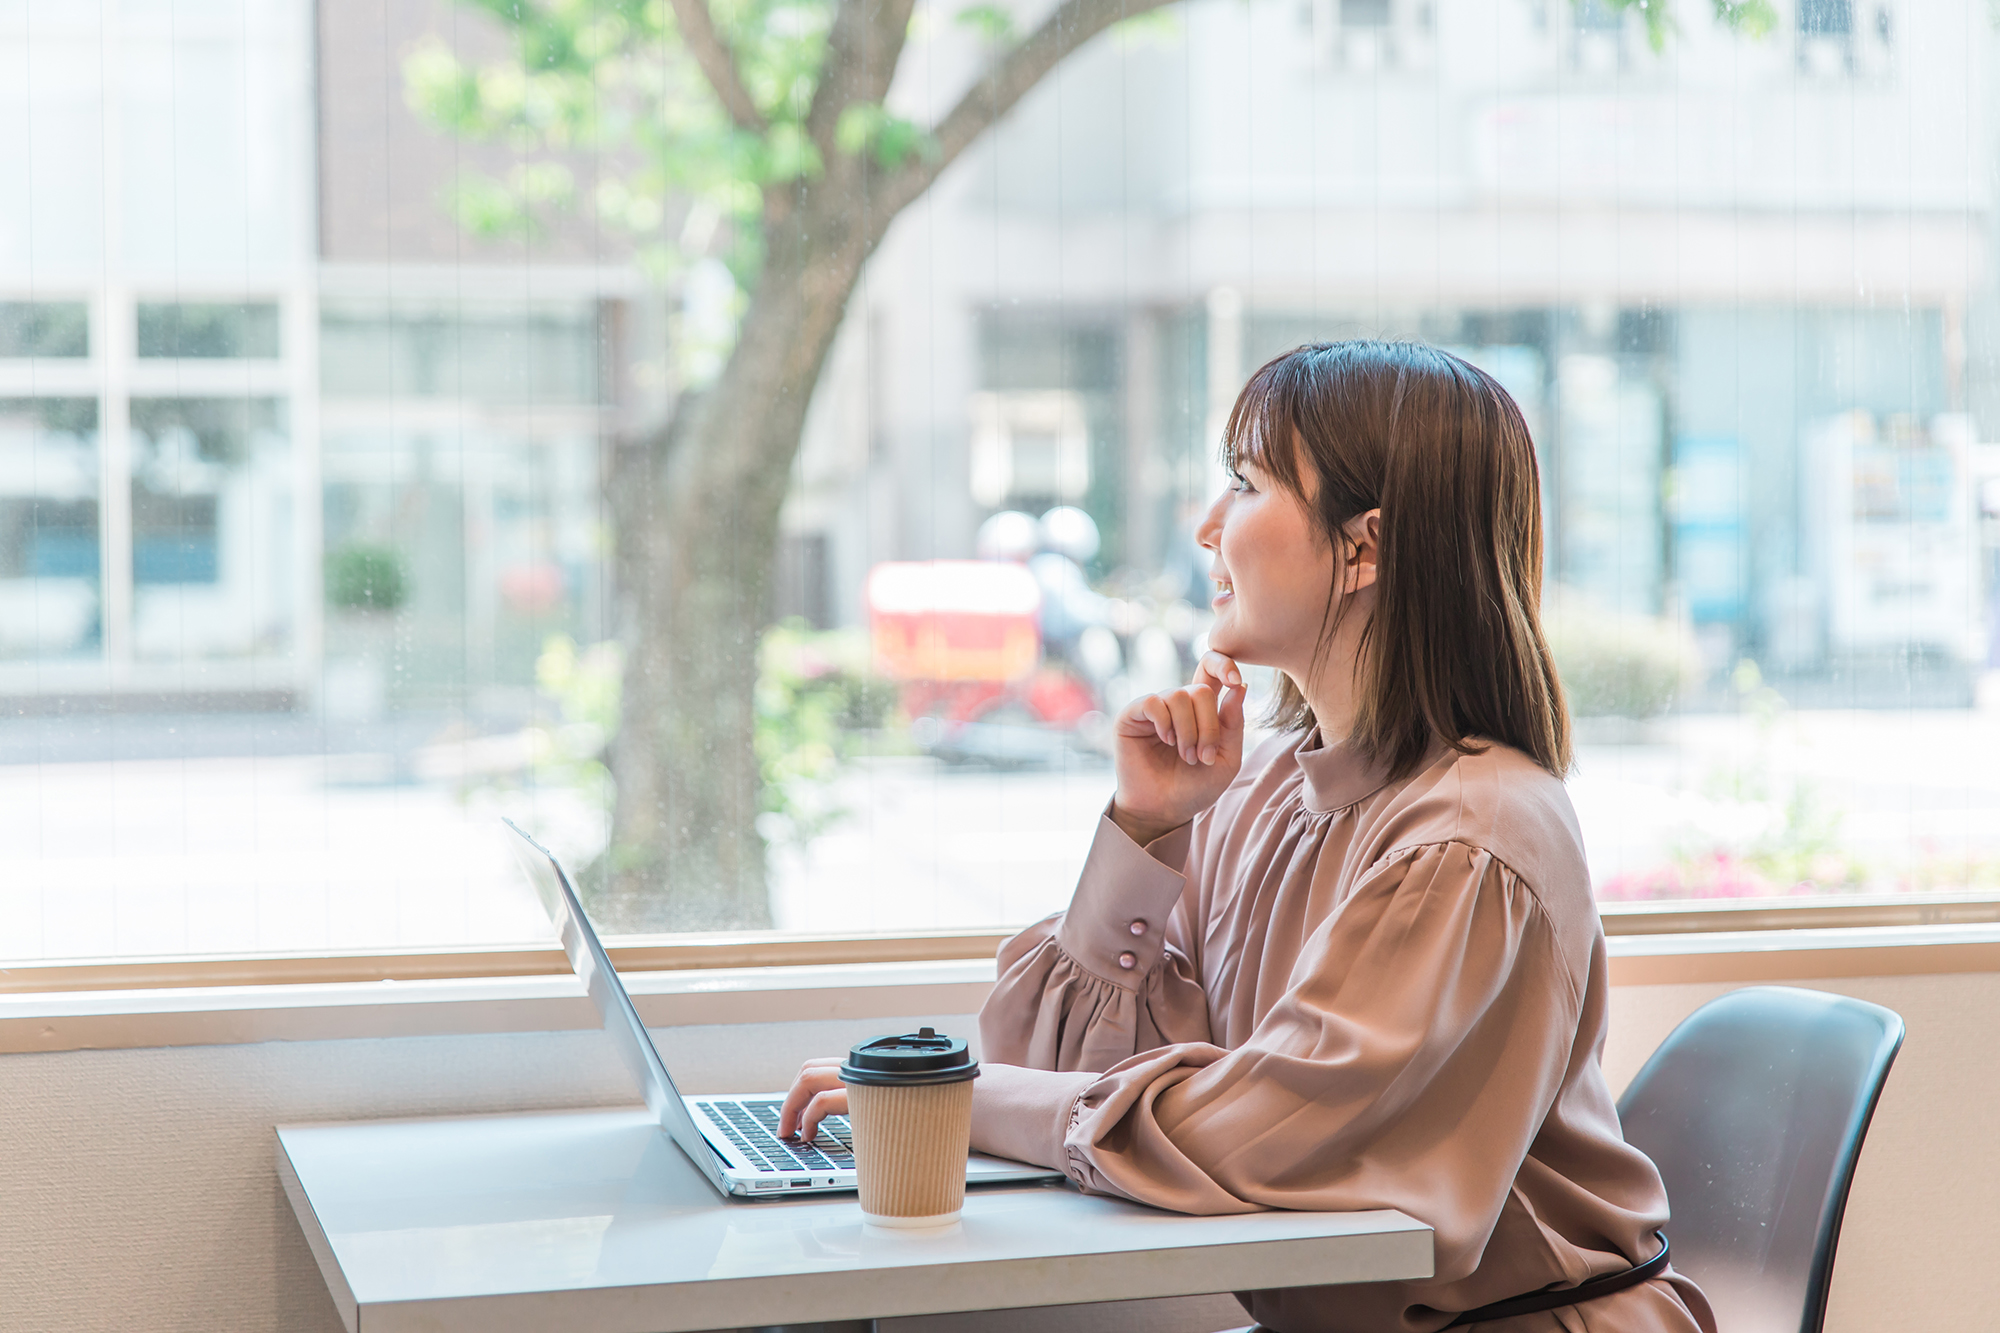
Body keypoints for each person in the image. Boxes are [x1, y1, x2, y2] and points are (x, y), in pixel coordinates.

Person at [781, 342, 1716, 1333]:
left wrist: (951, 1102)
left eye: (1245, 482)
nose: (1205, 526)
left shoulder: (1466, 841)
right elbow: (1053, 1058)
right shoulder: (1266, 785)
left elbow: (1256, 1135)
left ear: (1365, 548)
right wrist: (1147, 829)